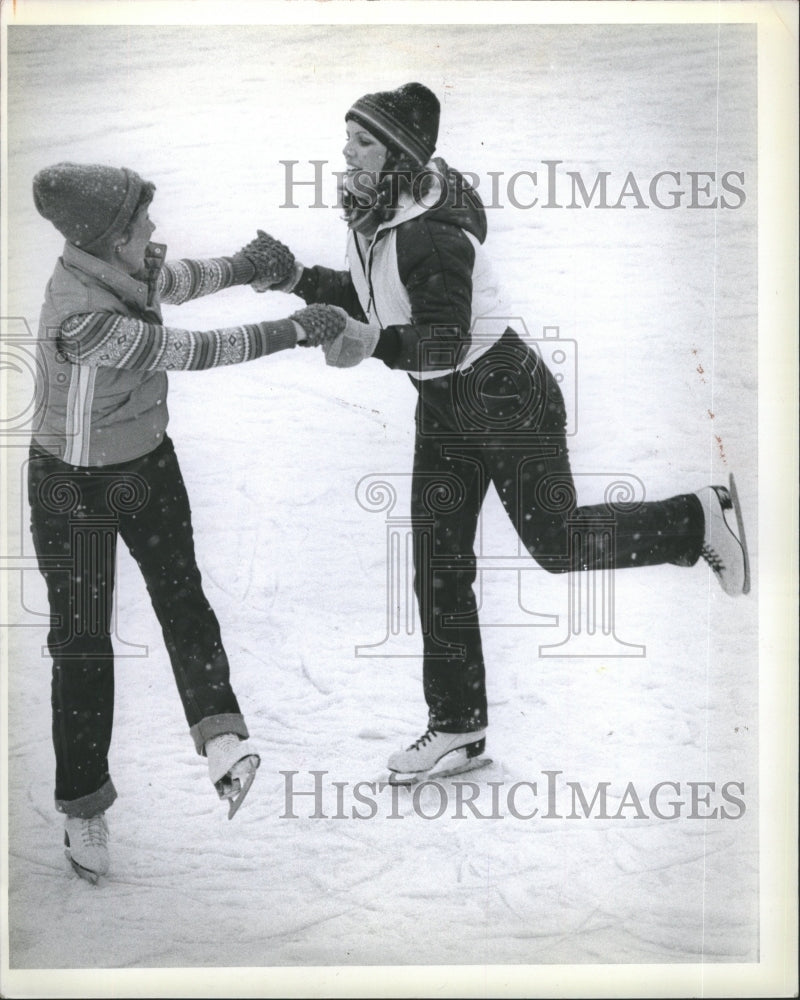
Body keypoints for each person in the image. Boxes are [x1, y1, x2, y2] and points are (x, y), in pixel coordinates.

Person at [251, 83, 750, 780]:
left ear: (397, 154)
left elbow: (443, 339)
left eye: (362, 141)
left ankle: (695, 521)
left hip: (501, 393)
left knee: (559, 543)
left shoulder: (431, 232)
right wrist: (299, 278)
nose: (346, 151)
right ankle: (457, 725)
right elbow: (375, 299)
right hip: (445, 407)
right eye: (348, 138)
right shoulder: (379, 213)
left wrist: (374, 345)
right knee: (439, 563)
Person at [29, 162, 345, 881]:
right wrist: (295, 327)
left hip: (145, 463)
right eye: (141, 223)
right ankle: (84, 809)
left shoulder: (124, 266)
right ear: (110, 240)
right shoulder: (82, 317)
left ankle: (223, 740)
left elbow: (184, 280)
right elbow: (195, 350)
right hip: (71, 486)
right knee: (82, 644)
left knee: (184, 599)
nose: (153, 232)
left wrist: (246, 265)